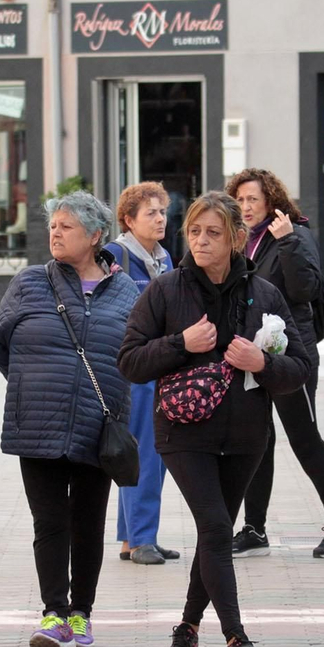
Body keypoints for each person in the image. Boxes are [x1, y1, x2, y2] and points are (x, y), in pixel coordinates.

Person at [119, 192, 312, 647]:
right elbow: (130, 362)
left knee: (215, 534)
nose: (202, 242)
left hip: (247, 435)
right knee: (216, 528)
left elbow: (300, 368)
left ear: (237, 239)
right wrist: (178, 344)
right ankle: (236, 638)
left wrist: (262, 363)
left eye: (214, 233)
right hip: (184, 432)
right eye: (195, 233)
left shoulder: (264, 295)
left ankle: (186, 629)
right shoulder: (165, 291)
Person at [0, 191, 138, 647]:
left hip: (100, 425)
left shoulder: (126, 292)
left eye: (67, 226)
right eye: (53, 225)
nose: (55, 232)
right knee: (49, 521)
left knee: (88, 524)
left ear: (95, 236)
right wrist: (36, 385)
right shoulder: (30, 282)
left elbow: (134, 355)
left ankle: (82, 613)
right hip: (38, 421)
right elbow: (0, 344)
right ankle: (53, 613)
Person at [227, 168, 324, 558]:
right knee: (257, 441)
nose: (246, 207)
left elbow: (305, 289)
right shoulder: (243, 241)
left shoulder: (294, 234)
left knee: (304, 439)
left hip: (291, 356)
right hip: (254, 355)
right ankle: (254, 529)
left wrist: (286, 242)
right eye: (240, 200)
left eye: (253, 199)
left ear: (271, 200)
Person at [103, 182, 180, 567]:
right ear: (129, 220)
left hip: (158, 365)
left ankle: (131, 539)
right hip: (133, 371)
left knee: (147, 454)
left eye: (163, 211)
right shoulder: (115, 254)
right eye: (151, 213)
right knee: (146, 455)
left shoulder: (163, 258)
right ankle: (144, 538)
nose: (160, 218)